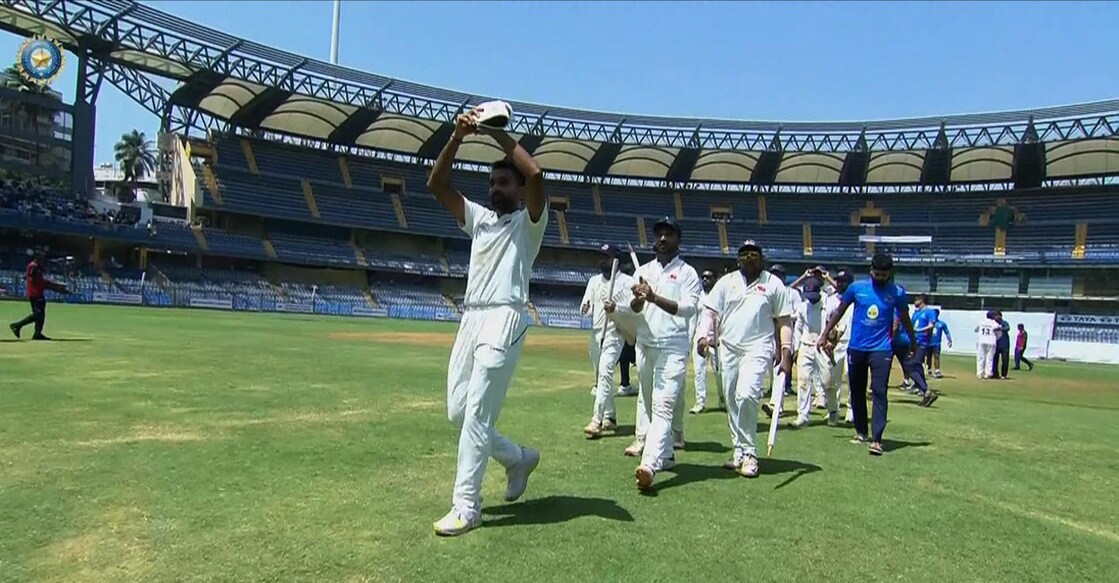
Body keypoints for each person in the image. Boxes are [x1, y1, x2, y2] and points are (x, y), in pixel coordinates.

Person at [425, 106, 547, 536]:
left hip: (505, 316)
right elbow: (437, 184)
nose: (496, 187)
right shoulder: (480, 220)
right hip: (471, 317)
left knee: (476, 415)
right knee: (458, 411)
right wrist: (458, 137)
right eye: (492, 182)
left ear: (516, 190)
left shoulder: (529, 224)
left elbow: (535, 175)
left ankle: (466, 506)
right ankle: (517, 457)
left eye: (503, 182)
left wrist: (495, 133)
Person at [697, 240, 793, 477]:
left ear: (762, 258)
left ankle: (750, 453)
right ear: (738, 259)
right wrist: (702, 336)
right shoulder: (726, 283)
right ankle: (738, 450)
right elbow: (710, 312)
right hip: (728, 347)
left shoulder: (773, 284)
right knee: (731, 400)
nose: (749, 257)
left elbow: (784, 321)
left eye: (754, 254)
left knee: (747, 395)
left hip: (758, 348)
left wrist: (786, 351)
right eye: (744, 254)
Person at [818, 252, 922, 457]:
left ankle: (877, 439)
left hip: (881, 349)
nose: (880, 278)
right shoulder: (857, 288)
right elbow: (839, 311)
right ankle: (861, 432)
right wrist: (824, 334)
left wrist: (913, 340)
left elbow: (905, 317)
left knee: (879, 391)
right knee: (856, 391)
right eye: (877, 273)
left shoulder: (897, 293)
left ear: (890, 273)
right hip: (857, 348)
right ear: (871, 271)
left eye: (884, 275)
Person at [627, 217, 702, 491]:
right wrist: (639, 298)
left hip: (673, 346)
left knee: (663, 406)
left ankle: (649, 464)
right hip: (646, 344)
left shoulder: (687, 273)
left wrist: (655, 297)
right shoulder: (644, 271)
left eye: (668, 234)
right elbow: (634, 308)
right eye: (658, 234)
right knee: (648, 403)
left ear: (677, 239)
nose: (662, 239)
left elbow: (688, 309)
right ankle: (667, 454)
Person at [580, 244, 637, 438]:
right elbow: (586, 305)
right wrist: (585, 307)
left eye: (606, 256)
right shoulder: (594, 281)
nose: (602, 260)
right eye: (600, 256)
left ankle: (596, 420)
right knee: (601, 376)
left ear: (616, 260)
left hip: (615, 332)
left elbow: (633, 310)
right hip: (596, 333)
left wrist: (616, 308)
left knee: (605, 373)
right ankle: (610, 417)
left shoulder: (627, 282)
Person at [819, 269, 855, 425]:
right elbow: (827, 321)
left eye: (844, 281)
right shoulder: (830, 300)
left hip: (853, 344)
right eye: (838, 281)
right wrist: (827, 338)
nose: (840, 284)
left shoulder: (857, 300)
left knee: (851, 377)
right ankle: (833, 409)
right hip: (834, 345)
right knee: (830, 380)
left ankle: (851, 410)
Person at [9, 249, 69, 341]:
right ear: (37, 257)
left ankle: (37, 333)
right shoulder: (34, 267)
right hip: (35, 293)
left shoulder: (35, 267)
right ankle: (17, 325)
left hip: (37, 293)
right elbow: (38, 281)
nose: (43, 259)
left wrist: (56, 287)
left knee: (40, 315)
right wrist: (56, 286)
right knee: (38, 314)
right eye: (41, 257)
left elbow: (39, 282)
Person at [792, 277, 827, 427]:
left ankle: (832, 410)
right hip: (806, 346)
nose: (811, 300)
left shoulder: (827, 305)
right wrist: (796, 348)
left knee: (827, 380)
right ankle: (803, 415)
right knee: (803, 380)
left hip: (822, 346)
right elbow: (798, 329)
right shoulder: (802, 307)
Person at [688, 269, 717, 414]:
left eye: (709, 277)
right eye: (703, 277)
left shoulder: (719, 295)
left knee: (721, 373)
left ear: (715, 279)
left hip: (717, 341)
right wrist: (692, 337)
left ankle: (724, 398)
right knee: (699, 372)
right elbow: (693, 319)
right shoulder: (698, 297)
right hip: (700, 339)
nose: (705, 280)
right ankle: (700, 402)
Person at [975, 310, 1002, 380]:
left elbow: (976, 330)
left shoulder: (981, 322)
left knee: (980, 357)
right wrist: (996, 338)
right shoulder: (994, 323)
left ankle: (979, 373)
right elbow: (999, 332)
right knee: (989, 358)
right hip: (991, 341)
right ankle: (988, 373)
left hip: (981, 341)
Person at [926, 310, 952, 378]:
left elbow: (947, 332)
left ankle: (937, 370)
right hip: (929, 342)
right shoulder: (928, 323)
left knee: (936, 356)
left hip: (936, 343)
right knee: (928, 356)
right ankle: (928, 369)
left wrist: (949, 340)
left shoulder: (941, 324)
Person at [992, 311, 1011, 379]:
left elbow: (1008, 328)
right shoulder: (993, 323)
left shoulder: (1004, 323)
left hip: (1004, 344)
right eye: (994, 316)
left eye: (996, 316)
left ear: (1000, 316)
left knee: (1005, 360)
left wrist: (1000, 329)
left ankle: (1004, 374)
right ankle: (995, 374)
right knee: (994, 360)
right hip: (996, 344)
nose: (995, 317)